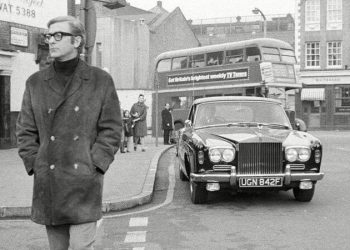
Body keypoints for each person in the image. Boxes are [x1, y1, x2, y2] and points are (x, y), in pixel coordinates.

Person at [16, 16, 122, 250]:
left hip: (83, 181)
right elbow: (25, 130)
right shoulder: (35, 83)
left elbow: (112, 129)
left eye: (58, 35)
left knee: (82, 247)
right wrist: (36, 163)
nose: (50, 41)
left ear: (76, 41)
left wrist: (95, 164)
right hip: (50, 182)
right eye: (49, 35)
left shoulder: (99, 80)